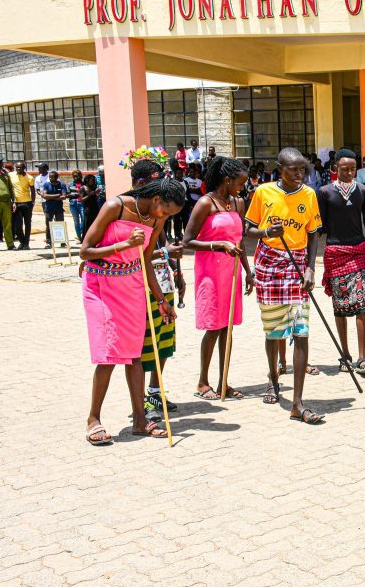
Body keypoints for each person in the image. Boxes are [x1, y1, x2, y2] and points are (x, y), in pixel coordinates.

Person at [80, 176, 186, 445]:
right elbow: (85, 251)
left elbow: (146, 260)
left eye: (170, 215)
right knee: (108, 354)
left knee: (135, 354)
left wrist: (161, 299)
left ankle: (140, 420)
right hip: (101, 283)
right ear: (156, 199)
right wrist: (124, 245)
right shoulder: (115, 207)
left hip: (133, 284)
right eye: (165, 211)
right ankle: (93, 418)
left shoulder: (156, 218)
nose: (165, 217)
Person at [245, 148, 324, 425]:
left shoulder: (309, 195)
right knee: (274, 330)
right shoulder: (263, 192)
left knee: (301, 331)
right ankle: (273, 378)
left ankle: (298, 402)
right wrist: (266, 232)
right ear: (280, 169)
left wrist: (311, 268)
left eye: (302, 169)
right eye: (293, 170)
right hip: (269, 264)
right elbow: (248, 229)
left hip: (297, 262)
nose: (299, 174)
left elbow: (313, 234)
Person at [182, 156, 254, 401]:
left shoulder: (237, 203)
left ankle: (224, 381)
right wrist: (217, 245)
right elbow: (187, 240)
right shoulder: (206, 203)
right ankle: (203, 382)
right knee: (213, 327)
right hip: (210, 273)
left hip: (231, 272)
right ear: (227, 179)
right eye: (240, 183)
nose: (243, 187)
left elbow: (239, 239)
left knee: (228, 329)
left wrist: (248, 270)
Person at [317, 149, 365, 377]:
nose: (350, 172)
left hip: (358, 252)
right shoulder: (324, 192)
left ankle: (362, 357)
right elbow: (319, 227)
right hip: (335, 252)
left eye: (353, 169)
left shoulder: (363, 191)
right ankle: (345, 354)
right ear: (335, 168)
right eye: (345, 169)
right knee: (340, 307)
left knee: (362, 304)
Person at [9, 162, 34, 249]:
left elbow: (32, 190)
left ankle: (26, 243)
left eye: (20, 167)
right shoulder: (11, 175)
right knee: (17, 225)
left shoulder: (29, 177)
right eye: (17, 167)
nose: (18, 169)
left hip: (27, 203)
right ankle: (22, 241)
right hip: (16, 204)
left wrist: (32, 203)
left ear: (24, 168)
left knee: (27, 224)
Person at [0, 155, 14, 251]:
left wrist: (13, 201)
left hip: (6, 202)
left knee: (8, 223)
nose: (1, 164)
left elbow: (11, 187)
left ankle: (10, 244)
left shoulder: (5, 174)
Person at [41, 170, 67, 246]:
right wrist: (57, 195)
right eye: (50, 177)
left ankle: (62, 241)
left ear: (56, 177)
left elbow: (64, 196)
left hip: (59, 208)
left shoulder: (62, 185)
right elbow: (45, 196)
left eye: (52, 177)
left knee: (60, 224)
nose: (50, 179)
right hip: (49, 208)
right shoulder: (46, 185)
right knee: (48, 225)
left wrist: (51, 197)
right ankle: (48, 242)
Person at [79, 174, 101, 240]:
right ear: (87, 180)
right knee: (87, 223)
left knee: (94, 223)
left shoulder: (93, 187)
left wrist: (97, 194)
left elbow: (95, 198)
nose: (93, 182)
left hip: (95, 207)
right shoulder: (82, 188)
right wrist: (89, 194)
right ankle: (86, 239)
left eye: (94, 180)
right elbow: (82, 199)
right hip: (88, 208)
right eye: (91, 180)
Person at [66, 170, 85, 241]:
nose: (75, 177)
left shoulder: (84, 184)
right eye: (73, 176)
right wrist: (75, 194)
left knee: (84, 219)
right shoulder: (70, 185)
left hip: (82, 204)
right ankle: (79, 237)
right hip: (73, 204)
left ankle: (80, 231)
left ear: (80, 176)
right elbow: (67, 194)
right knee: (76, 221)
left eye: (76, 176)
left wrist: (76, 194)